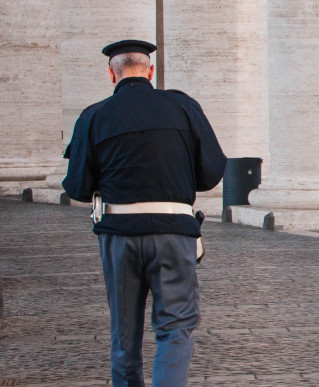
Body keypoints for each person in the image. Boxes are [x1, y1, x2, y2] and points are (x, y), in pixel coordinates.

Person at [62, 40, 227, 386]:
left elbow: (76, 186)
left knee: (125, 337)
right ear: (151, 71)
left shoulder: (94, 116)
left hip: (119, 237)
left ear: (112, 74)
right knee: (175, 329)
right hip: (174, 233)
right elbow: (212, 171)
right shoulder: (183, 106)